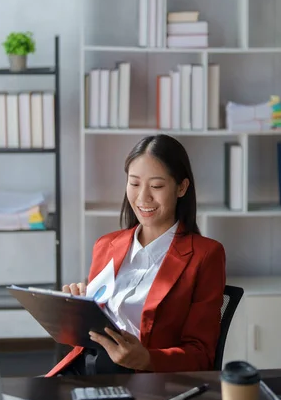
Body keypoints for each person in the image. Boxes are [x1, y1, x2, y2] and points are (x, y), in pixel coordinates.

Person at [45, 134, 226, 377]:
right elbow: (83, 340)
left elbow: (202, 356)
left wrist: (148, 359)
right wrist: (73, 314)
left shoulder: (205, 255)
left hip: (141, 382)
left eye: (157, 186)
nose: (143, 198)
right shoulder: (106, 245)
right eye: (134, 183)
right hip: (84, 371)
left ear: (181, 187)